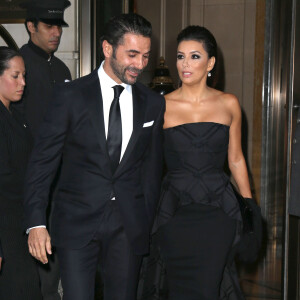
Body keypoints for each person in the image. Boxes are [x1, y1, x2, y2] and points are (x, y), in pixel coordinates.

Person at [23, 13, 165, 300]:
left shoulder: (153, 103)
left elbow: (152, 170)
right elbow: (42, 163)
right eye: (133, 54)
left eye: (146, 56)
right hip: (76, 222)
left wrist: (146, 221)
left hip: (128, 225)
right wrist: (36, 222)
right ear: (108, 48)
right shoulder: (70, 96)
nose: (140, 65)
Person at [148, 25, 252, 300]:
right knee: (179, 289)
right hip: (175, 213)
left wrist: (250, 207)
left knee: (209, 288)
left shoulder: (229, 103)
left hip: (218, 213)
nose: (185, 63)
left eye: (195, 56)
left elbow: (236, 158)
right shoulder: (160, 106)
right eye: (180, 56)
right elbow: (150, 163)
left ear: (211, 63)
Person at [13, 1, 72, 299]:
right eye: (48, 26)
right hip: (27, 181)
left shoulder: (62, 69)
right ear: (30, 26)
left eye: (58, 26)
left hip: (61, 185)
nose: (56, 33)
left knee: (54, 266)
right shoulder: (17, 65)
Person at [0, 46, 42, 300]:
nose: (23, 82)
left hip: (18, 225)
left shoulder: (13, 114)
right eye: (15, 76)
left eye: (24, 75)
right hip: (6, 231)